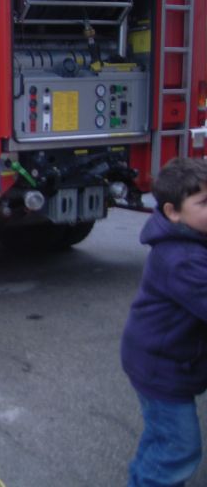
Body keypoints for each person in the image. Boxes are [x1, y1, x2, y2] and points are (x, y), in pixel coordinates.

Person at [121, 157, 207, 486]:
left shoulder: (192, 239)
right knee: (179, 448)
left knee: (161, 439)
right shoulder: (181, 258)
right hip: (162, 368)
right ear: (173, 212)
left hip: (161, 359)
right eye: (204, 203)